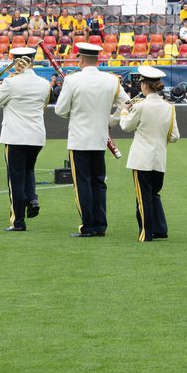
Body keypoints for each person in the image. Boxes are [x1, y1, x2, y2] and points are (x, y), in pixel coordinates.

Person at [54, 41, 128, 237]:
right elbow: (127, 104)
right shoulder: (111, 80)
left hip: (79, 139)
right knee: (98, 182)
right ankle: (100, 225)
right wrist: (110, 120)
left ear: (82, 59)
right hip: (99, 138)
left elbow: (61, 110)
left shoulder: (72, 80)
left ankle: (87, 226)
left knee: (83, 184)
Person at [0, 47, 51, 232]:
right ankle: (32, 198)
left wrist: (0, 88)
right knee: (28, 170)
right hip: (37, 135)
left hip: (16, 136)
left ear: (16, 61)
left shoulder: (10, 82)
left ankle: (18, 221)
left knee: (15, 178)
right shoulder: (44, 83)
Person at [120, 66, 179, 242]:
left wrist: (124, 111)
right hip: (159, 157)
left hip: (141, 159)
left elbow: (126, 126)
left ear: (144, 86)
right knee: (153, 193)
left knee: (143, 196)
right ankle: (160, 229)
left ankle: (146, 232)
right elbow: (175, 136)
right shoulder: (169, 107)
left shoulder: (140, 106)